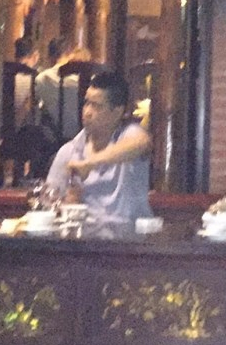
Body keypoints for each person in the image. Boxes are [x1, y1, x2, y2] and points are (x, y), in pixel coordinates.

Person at [45, 70, 152, 228]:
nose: (87, 112)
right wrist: (67, 204)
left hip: (128, 237)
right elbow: (49, 202)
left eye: (96, 106)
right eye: (86, 103)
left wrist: (90, 163)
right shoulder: (69, 151)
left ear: (117, 111)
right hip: (85, 237)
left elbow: (142, 142)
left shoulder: (129, 136)